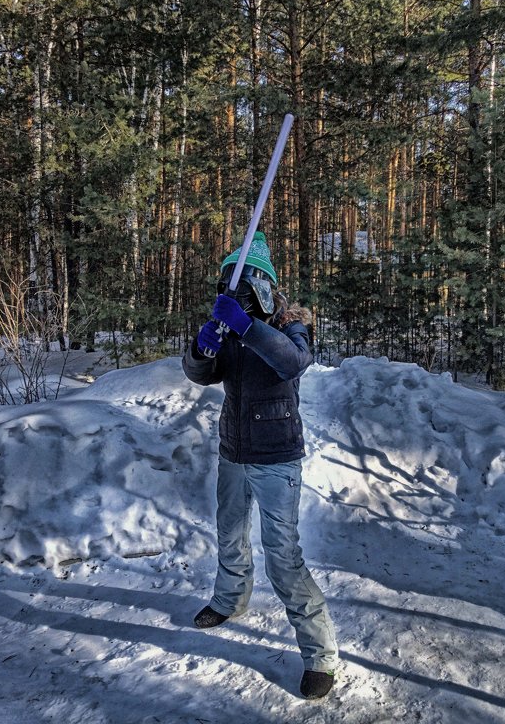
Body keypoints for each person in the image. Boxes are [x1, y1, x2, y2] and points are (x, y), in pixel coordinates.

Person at [182, 232, 338, 699]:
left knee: (283, 557)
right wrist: (203, 346)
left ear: (265, 286)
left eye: (246, 286)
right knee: (229, 532)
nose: (239, 295)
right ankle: (230, 600)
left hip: (275, 458)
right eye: (232, 286)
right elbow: (201, 374)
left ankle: (320, 654)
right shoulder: (230, 326)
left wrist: (248, 328)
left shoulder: (290, 326)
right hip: (234, 450)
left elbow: (292, 362)